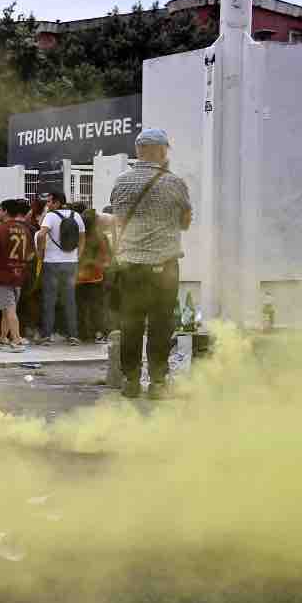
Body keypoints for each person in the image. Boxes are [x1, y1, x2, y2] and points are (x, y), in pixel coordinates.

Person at [110, 128, 192, 399]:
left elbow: (118, 219)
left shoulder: (122, 182)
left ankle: (130, 381)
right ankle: (158, 383)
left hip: (130, 265)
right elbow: (185, 222)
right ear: (160, 151)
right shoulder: (175, 183)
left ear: (138, 150)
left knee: (130, 322)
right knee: (161, 323)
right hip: (164, 266)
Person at [35, 190, 86, 345]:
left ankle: (46, 336)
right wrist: (78, 255)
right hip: (71, 262)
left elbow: (41, 234)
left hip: (51, 263)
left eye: (50, 201)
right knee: (70, 300)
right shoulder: (76, 216)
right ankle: (73, 335)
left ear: (57, 202)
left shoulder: (50, 216)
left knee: (49, 300)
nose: (48, 204)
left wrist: (40, 253)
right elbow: (83, 237)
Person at [0, 199, 33, 352]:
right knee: (7, 308)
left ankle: (16, 340)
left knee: (9, 309)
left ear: (5, 211)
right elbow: (31, 255)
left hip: (2, 275)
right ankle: (3, 338)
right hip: (19, 274)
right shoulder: (25, 230)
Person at [77, 209, 112, 343]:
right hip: (96, 276)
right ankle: (98, 332)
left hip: (79, 277)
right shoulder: (100, 237)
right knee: (96, 306)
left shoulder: (77, 235)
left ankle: (83, 334)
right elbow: (106, 257)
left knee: (81, 306)